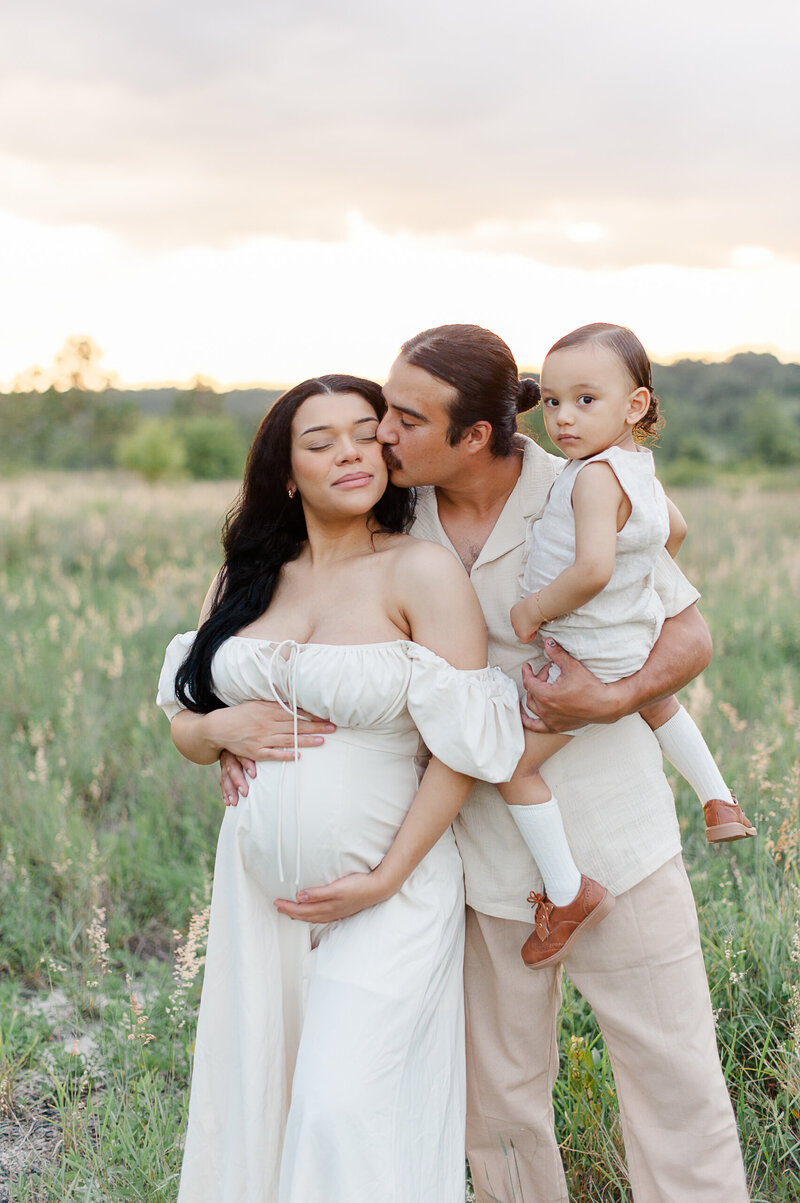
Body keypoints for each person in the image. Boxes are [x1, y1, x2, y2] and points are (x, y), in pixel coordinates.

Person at [215, 325, 750, 1203]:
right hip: (473, 863)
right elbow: (299, 634)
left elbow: (688, 632)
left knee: (674, 1085)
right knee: (497, 1111)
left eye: (404, 417)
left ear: (474, 435)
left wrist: (608, 699)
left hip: (617, 838)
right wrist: (225, 729)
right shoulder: (390, 512)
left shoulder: (584, 488)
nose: (382, 432)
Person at [159, 373, 525, 1202]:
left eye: (367, 434)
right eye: (320, 442)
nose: (351, 453)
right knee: (261, 1099)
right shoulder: (245, 580)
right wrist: (213, 732)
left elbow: (464, 747)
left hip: (388, 893)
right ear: (287, 474)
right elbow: (185, 719)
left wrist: (386, 878)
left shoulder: (420, 572)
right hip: (258, 902)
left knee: (337, 1108)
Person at [496, 322, 754, 968]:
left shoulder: (590, 479)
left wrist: (533, 608)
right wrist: (643, 578)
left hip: (588, 649)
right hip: (630, 635)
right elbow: (678, 528)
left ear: (635, 405)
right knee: (659, 702)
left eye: (586, 400)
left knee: (515, 768)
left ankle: (567, 890)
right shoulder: (638, 467)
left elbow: (590, 572)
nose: (563, 418)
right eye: (552, 401)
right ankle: (717, 797)